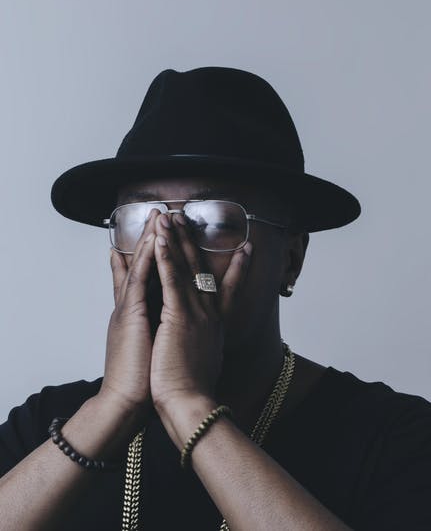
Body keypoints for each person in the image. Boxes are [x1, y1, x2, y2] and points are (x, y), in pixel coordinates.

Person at [0, 66, 430, 531]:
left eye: (213, 220)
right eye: (142, 218)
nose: (166, 246)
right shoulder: (48, 425)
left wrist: (187, 403)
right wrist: (114, 405)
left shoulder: (394, 437)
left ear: (291, 259)